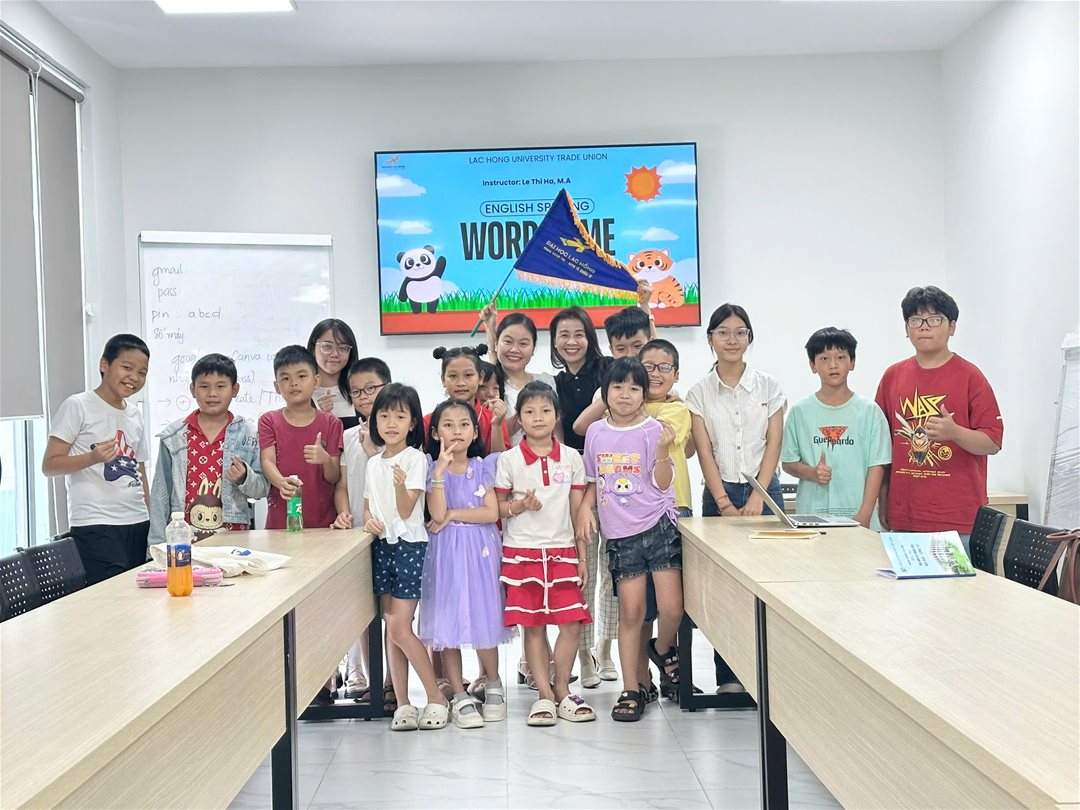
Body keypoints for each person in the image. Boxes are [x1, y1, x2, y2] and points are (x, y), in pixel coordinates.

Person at [685, 304, 784, 694]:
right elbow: (704, 451)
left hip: (766, 492)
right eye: (723, 332)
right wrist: (724, 502)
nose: (732, 339)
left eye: (740, 332)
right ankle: (728, 678)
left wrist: (759, 494)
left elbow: (773, 443)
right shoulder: (698, 392)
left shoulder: (769, 387)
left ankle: (769, 678)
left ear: (749, 338)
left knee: (769, 587)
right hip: (718, 493)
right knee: (724, 592)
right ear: (710, 339)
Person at [578, 358, 681, 721]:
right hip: (620, 536)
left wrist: (664, 448)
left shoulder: (655, 429)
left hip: (658, 526)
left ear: (644, 394)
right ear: (605, 392)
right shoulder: (595, 432)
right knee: (631, 613)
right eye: (617, 387)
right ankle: (631, 688)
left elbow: (664, 484)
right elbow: (594, 481)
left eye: (634, 388)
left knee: (672, 608)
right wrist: (585, 508)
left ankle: (662, 649)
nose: (625, 394)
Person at [496, 382, 596, 726]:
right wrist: (520, 506)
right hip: (521, 554)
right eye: (529, 411)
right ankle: (543, 695)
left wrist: (582, 558)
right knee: (533, 627)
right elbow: (498, 507)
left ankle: (562, 688)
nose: (538, 417)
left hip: (563, 551)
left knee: (571, 625)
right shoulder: (508, 459)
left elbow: (577, 512)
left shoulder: (572, 458)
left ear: (557, 416)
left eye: (545, 410)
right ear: (519, 418)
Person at [874, 286, 1003, 545]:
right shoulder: (892, 376)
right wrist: (883, 499)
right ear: (906, 328)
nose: (924, 327)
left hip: (959, 520)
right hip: (904, 517)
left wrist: (955, 433)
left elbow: (993, 442)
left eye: (934, 319)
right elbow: (881, 448)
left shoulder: (970, 376)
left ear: (952, 326)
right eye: (915, 320)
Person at [420, 399, 511, 729]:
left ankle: (494, 682)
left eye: (463, 424)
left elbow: (490, 512)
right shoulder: (430, 469)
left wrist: (455, 514)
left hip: (480, 549)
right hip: (445, 551)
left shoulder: (483, 466)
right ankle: (459, 695)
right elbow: (436, 513)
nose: (456, 431)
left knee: (483, 614)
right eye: (448, 425)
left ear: (475, 432)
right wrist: (439, 473)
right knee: (449, 621)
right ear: (435, 433)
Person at [363, 383, 448, 731]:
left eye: (399, 416)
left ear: (412, 422)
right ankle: (402, 703)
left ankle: (436, 696)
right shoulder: (373, 462)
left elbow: (405, 508)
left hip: (410, 546)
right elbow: (368, 506)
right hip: (382, 546)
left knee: (400, 625)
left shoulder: (415, 458)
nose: (391, 423)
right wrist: (368, 519)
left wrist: (400, 486)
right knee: (391, 627)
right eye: (384, 416)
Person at [42, 334, 152, 585]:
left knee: (138, 595)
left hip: (137, 520)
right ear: (104, 364)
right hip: (95, 523)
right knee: (109, 597)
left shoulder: (134, 414)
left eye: (142, 372)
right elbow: (49, 465)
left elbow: (140, 470)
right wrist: (92, 457)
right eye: (127, 367)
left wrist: (152, 517)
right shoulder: (78, 405)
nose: (134, 378)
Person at [549, 307, 614, 686]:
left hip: (613, 478)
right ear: (554, 342)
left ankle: (607, 648)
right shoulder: (553, 383)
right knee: (582, 569)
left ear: (590, 337)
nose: (571, 342)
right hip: (575, 484)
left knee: (614, 569)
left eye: (579, 334)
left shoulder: (608, 371)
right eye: (564, 335)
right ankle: (585, 655)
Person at [149, 353, 268, 545]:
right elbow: (160, 493)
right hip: (184, 540)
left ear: (235, 389)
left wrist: (245, 477)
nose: (212, 393)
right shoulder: (174, 436)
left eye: (221, 386)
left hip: (234, 540)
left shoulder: (249, 435)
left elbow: (262, 489)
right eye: (204, 386)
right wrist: (155, 546)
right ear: (192, 389)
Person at [781, 328, 890, 527]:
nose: (833, 365)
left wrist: (865, 514)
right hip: (812, 517)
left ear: (852, 363)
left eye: (840, 357)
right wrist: (812, 472)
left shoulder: (870, 411)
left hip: (858, 515)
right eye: (824, 359)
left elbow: (878, 466)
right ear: (812, 365)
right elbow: (788, 463)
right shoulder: (800, 411)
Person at [332, 357, 392, 705]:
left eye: (371, 388)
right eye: (356, 392)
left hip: (392, 535)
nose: (364, 396)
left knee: (393, 615)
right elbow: (342, 484)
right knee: (365, 613)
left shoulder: (399, 433)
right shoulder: (348, 435)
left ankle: (391, 683)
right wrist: (343, 512)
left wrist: (373, 451)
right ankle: (373, 682)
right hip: (357, 534)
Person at [479, 306, 556, 445]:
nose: (514, 349)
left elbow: (556, 431)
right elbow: (486, 434)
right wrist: (490, 328)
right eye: (508, 342)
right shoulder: (490, 388)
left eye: (523, 344)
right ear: (497, 344)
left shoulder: (546, 382)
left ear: (533, 349)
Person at [424, 345, 510, 454]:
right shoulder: (428, 421)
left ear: (480, 377)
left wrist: (496, 426)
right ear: (443, 380)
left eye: (468, 375)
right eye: (453, 376)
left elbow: (502, 460)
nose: (461, 383)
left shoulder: (493, 419)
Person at [307, 318, 360, 429]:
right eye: (327, 346)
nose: (335, 354)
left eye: (343, 348)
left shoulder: (360, 392)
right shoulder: (303, 394)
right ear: (313, 348)